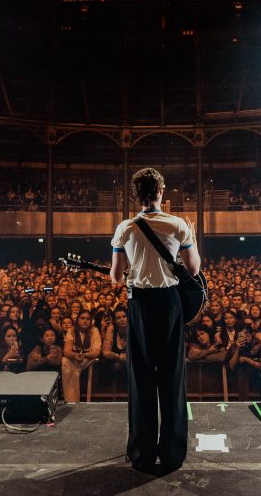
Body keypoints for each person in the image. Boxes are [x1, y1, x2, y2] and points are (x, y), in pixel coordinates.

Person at [109, 167, 200, 475]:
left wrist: (133, 268)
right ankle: (173, 454)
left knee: (142, 378)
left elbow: (114, 276)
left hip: (139, 305)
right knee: (173, 377)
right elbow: (194, 269)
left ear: (135, 195)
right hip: (170, 304)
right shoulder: (177, 225)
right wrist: (194, 239)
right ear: (162, 191)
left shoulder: (125, 228)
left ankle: (142, 453)